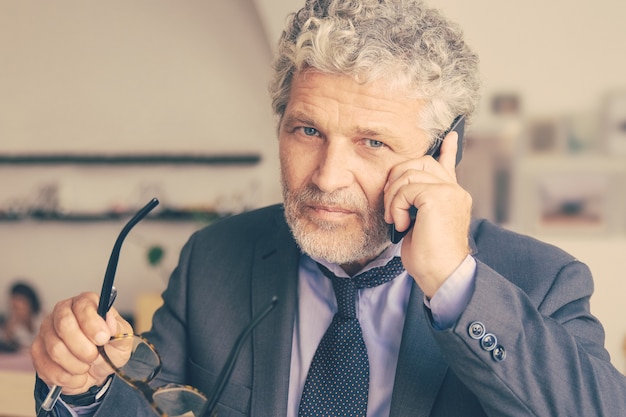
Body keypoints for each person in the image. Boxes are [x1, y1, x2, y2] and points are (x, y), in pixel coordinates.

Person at [31, 0, 626, 416]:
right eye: (307, 130)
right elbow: (147, 405)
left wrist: (454, 284)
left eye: (372, 143)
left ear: (446, 154)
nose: (325, 176)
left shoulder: (540, 280)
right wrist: (84, 387)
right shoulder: (214, 261)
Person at [0, 281, 42, 352]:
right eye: (14, 307)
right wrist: (9, 328)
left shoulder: (41, 317)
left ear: (30, 302)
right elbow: (6, 344)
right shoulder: (11, 324)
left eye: (21, 300)